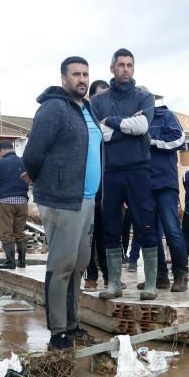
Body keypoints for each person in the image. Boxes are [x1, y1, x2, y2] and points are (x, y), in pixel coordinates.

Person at [21, 56, 102, 351]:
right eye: (76, 74)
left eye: (86, 74)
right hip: (62, 199)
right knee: (61, 265)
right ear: (64, 79)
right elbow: (33, 152)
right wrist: (38, 175)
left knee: (79, 264)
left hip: (87, 198)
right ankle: (58, 332)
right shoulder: (53, 108)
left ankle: (72, 323)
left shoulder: (87, 108)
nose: (82, 79)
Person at [90, 48, 159, 300]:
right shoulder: (98, 101)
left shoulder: (145, 96)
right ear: (112, 68)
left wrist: (113, 122)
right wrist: (127, 126)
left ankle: (150, 283)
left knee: (146, 222)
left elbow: (142, 127)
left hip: (139, 168)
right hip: (110, 171)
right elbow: (100, 134)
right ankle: (114, 283)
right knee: (110, 225)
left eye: (130, 65)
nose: (126, 69)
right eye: (121, 65)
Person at [139, 96, 188, 292]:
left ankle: (181, 274)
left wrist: (153, 142)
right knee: (149, 233)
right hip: (142, 184)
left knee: (172, 230)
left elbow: (180, 139)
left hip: (165, 183)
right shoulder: (133, 121)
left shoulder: (166, 115)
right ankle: (159, 276)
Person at [84, 79, 110, 290]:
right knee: (88, 239)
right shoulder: (86, 123)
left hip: (109, 190)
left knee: (107, 236)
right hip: (88, 192)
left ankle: (111, 277)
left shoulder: (113, 122)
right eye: (99, 97)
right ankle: (90, 276)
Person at [0, 140, 27, 269]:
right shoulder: (24, 162)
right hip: (22, 201)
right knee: (20, 232)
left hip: (5, 201)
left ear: (1, 150)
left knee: (6, 232)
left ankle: (10, 262)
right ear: (12, 148)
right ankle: (22, 261)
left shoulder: (0, 163)